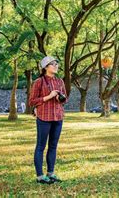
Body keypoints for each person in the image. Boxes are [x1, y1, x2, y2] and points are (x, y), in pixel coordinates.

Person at [28, 56, 68, 184]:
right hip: (44, 117)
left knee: (53, 146)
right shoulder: (39, 82)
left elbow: (65, 99)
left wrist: (60, 98)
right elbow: (32, 101)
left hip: (58, 117)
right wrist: (48, 97)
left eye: (57, 63)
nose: (56, 66)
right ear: (45, 67)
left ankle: (51, 173)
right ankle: (40, 176)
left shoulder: (60, 81)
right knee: (40, 146)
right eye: (53, 64)